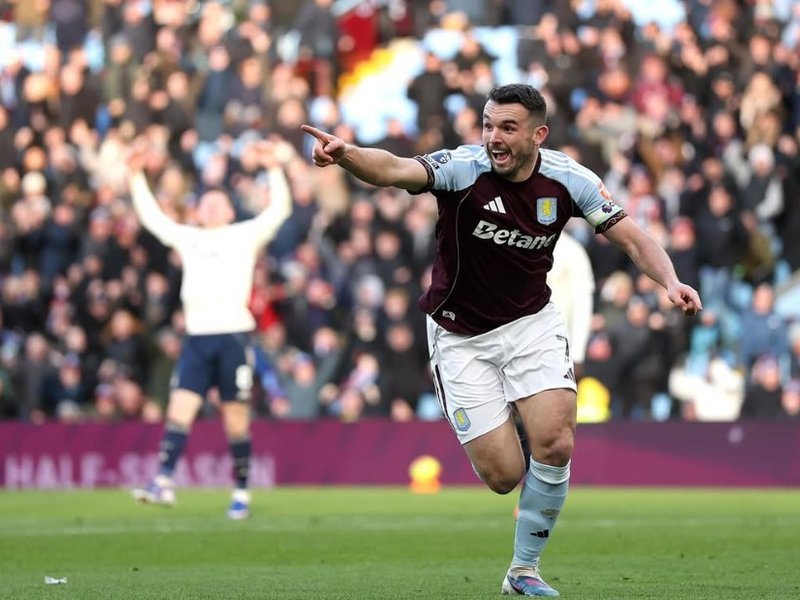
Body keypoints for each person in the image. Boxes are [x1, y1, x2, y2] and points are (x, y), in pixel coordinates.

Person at [302, 83, 701, 597]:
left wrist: (669, 281)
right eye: (488, 124)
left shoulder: (569, 180)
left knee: (556, 441)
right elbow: (397, 169)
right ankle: (500, 429)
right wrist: (348, 155)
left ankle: (524, 571)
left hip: (530, 323)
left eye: (507, 127)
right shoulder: (463, 168)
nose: (493, 136)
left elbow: (631, 237)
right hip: (459, 335)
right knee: (504, 474)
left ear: (539, 134)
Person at [128, 140, 292, 519]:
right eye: (206, 203)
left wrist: (273, 168)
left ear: (230, 210)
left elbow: (279, 209)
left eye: (218, 203)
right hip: (197, 338)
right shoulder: (191, 238)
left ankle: (241, 493)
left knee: (235, 419)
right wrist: (136, 176)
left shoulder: (244, 235)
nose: (212, 207)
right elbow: (154, 220)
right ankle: (164, 483)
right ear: (197, 211)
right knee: (179, 410)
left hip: (233, 336)